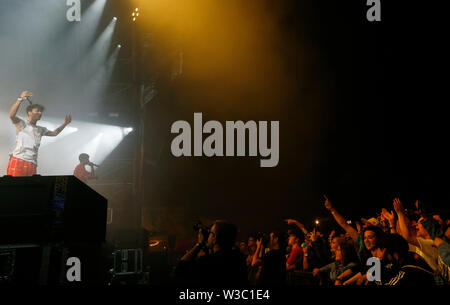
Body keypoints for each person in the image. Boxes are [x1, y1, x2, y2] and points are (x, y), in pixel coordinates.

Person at [7, 91, 71, 176]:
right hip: (19, 160)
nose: (40, 113)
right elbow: (11, 115)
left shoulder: (41, 129)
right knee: (14, 187)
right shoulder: (22, 124)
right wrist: (20, 98)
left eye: (41, 112)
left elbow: (55, 133)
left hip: (32, 163)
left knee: (30, 189)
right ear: (29, 112)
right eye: (37, 111)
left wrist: (65, 124)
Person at [175, 220, 248, 286]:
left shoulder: (208, 261)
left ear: (214, 238)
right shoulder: (239, 257)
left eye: (210, 233)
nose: (208, 235)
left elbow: (180, 268)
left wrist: (199, 244)